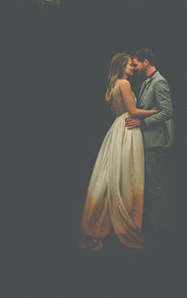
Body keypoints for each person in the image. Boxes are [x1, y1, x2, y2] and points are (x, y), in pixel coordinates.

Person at [78, 53, 159, 251]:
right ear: (122, 67)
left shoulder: (114, 85)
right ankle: (125, 222)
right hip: (128, 129)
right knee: (129, 175)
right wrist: (155, 112)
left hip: (117, 128)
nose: (133, 67)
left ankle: (105, 222)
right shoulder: (124, 83)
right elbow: (133, 111)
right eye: (130, 64)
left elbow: (116, 110)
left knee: (113, 173)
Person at [126, 48, 175, 245]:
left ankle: (159, 228)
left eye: (136, 64)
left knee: (154, 185)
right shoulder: (148, 82)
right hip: (146, 141)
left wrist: (143, 123)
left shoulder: (159, 82)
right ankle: (150, 223)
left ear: (146, 62)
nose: (134, 68)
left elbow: (167, 111)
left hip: (154, 141)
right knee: (148, 184)